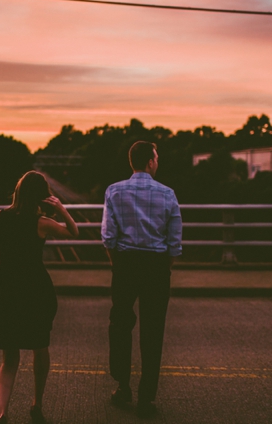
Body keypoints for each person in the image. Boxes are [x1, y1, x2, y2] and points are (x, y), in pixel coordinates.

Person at [0, 171, 79, 424]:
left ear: (17, 192)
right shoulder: (41, 222)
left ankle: (3, 412)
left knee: (9, 355)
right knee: (40, 347)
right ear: (42, 196)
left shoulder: (0, 216)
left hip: (6, 288)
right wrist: (61, 209)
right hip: (35, 289)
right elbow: (74, 233)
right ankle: (36, 403)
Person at [101, 141, 182, 418]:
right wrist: (163, 265)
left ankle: (122, 386)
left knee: (120, 325)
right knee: (153, 331)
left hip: (125, 263)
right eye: (156, 158)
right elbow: (174, 244)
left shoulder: (114, 191)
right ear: (150, 162)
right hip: (156, 267)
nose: (157, 162)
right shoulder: (168, 195)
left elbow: (108, 237)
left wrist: (118, 264)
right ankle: (146, 398)